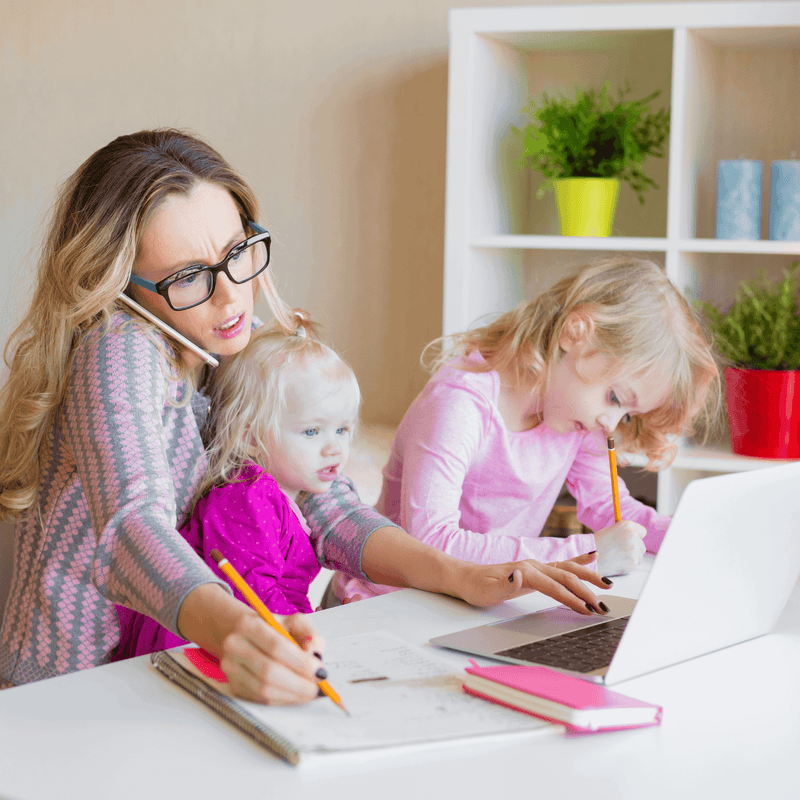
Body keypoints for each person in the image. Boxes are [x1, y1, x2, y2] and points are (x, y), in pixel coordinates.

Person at [0, 128, 607, 702]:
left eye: (239, 253)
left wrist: (463, 574)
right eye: (189, 277)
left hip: (165, 661)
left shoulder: (229, 337)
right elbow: (134, 526)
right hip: (74, 686)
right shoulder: (119, 348)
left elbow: (329, 506)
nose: (232, 296)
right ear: (120, 286)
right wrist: (237, 632)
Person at [330, 257, 721, 604]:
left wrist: (690, 534)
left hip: (477, 604)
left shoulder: (575, 416)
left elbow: (609, 508)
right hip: (384, 604)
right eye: (616, 397)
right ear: (575, 333)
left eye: (628, 415)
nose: (611, 423)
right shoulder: (461, 403)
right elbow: (432, 543)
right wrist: (584, 553)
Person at [113, 318, 364, 658]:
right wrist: (306, 630)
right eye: (311, 432)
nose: (334, 448)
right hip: (188, 647)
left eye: (342, 430)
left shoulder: (290, 497)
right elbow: (254, 594)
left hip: (249, 636)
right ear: (250, 436)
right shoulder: (247, 496)